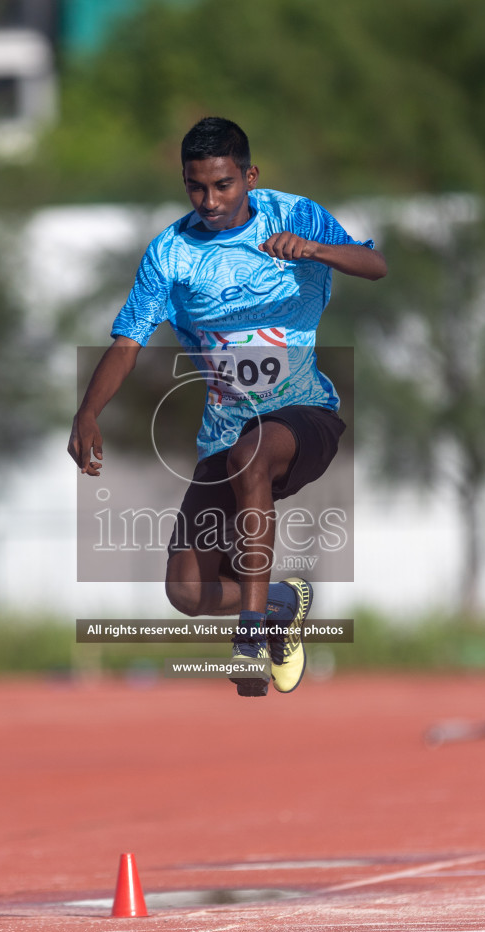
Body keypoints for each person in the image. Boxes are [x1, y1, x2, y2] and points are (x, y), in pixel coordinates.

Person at [68, 117, 387, 698]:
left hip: (304, 414)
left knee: (256, 452)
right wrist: (87, 413)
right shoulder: (171, 252)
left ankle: (250, 638)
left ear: (249, 176)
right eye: (196, 187)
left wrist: (315, 250)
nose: (210, 201)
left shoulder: (294, 214)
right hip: (225, 431)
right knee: (186, 594)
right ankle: (282, 602)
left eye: (223, 185)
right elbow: (126, 343)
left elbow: (375, 264)